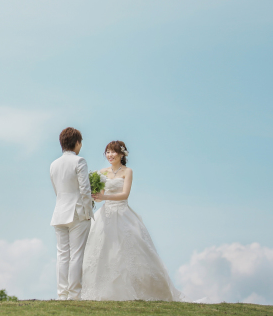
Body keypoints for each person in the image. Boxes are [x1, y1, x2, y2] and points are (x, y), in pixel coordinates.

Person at [81, 140, 184, 301]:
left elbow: (125, 194)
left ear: (122, 154)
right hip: (106, 214)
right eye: (107, 152)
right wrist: (95, 196)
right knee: (103, 250)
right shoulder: (102, 172)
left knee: (130, 250)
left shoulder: (127, 171)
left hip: (123, 212)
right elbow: (100, 197)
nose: (110, 155)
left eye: (113, 152)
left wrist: (105, 196)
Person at [49, 127, 93, 300]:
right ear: (77, 143)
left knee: (62, 255)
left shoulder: (53, 164)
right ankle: (74, 295)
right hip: (77, 212)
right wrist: (88, 212)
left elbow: (56, 190)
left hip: (59, 212)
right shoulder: (79, 161)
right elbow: (85, 189)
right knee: (76, 255)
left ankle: (62, 294)